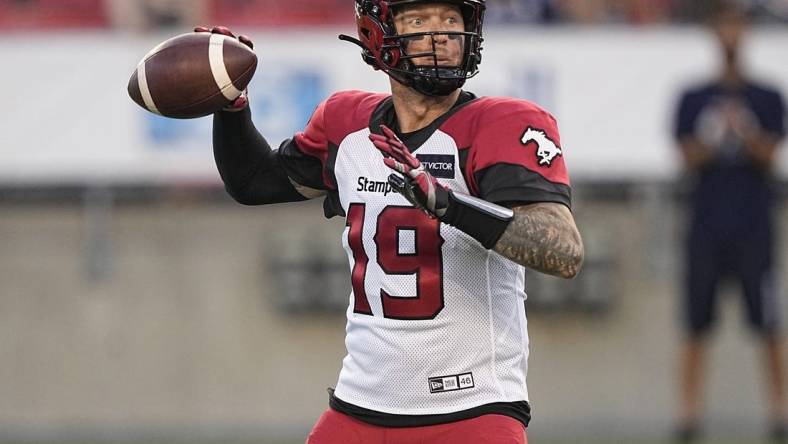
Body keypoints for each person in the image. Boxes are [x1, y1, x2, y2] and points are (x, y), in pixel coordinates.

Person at [203, 0, 583, 442]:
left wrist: (449, 204)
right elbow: (252, 183)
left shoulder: (502, 124)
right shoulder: (346, 124)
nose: (440, 34)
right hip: (358, 407)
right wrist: (231, 106)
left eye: (451, 19)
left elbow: (563, 251)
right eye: (419, 20)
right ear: (376, 34)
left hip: (472, 409)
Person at [672, 3, 786, 442]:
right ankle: (688, 415)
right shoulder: (693, 97)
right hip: (706, 225)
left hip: (754, 227)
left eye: (738, 25)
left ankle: (778, 412)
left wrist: (744, 131)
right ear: (714, 32)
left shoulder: (767, 96)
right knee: (696, 324)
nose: (731, 34)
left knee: (769, 323)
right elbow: (685, 157)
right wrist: (714, 136)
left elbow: (770, 154)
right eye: (725, 25)